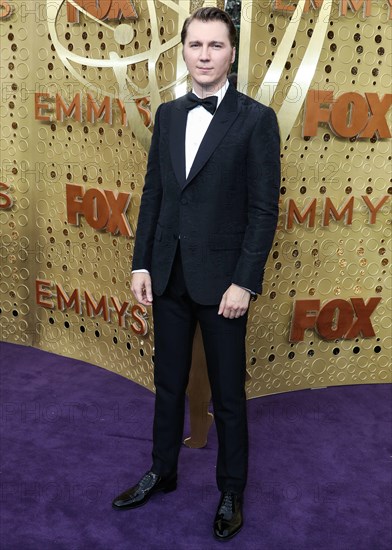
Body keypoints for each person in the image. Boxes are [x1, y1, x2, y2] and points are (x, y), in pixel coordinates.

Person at [112, 7, 281, 541]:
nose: (204, 56)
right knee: (167, 384)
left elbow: (262, 210)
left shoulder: (256, 120)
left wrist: (244, 281)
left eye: (215, 46)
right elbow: (155, 194)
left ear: (232, 53)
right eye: (195, 45)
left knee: (228, 395)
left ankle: (231, 488)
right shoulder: (167, 116)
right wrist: (142, 262)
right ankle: (162, 471)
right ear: (182, 51)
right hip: (168, 275)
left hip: (224, 283)